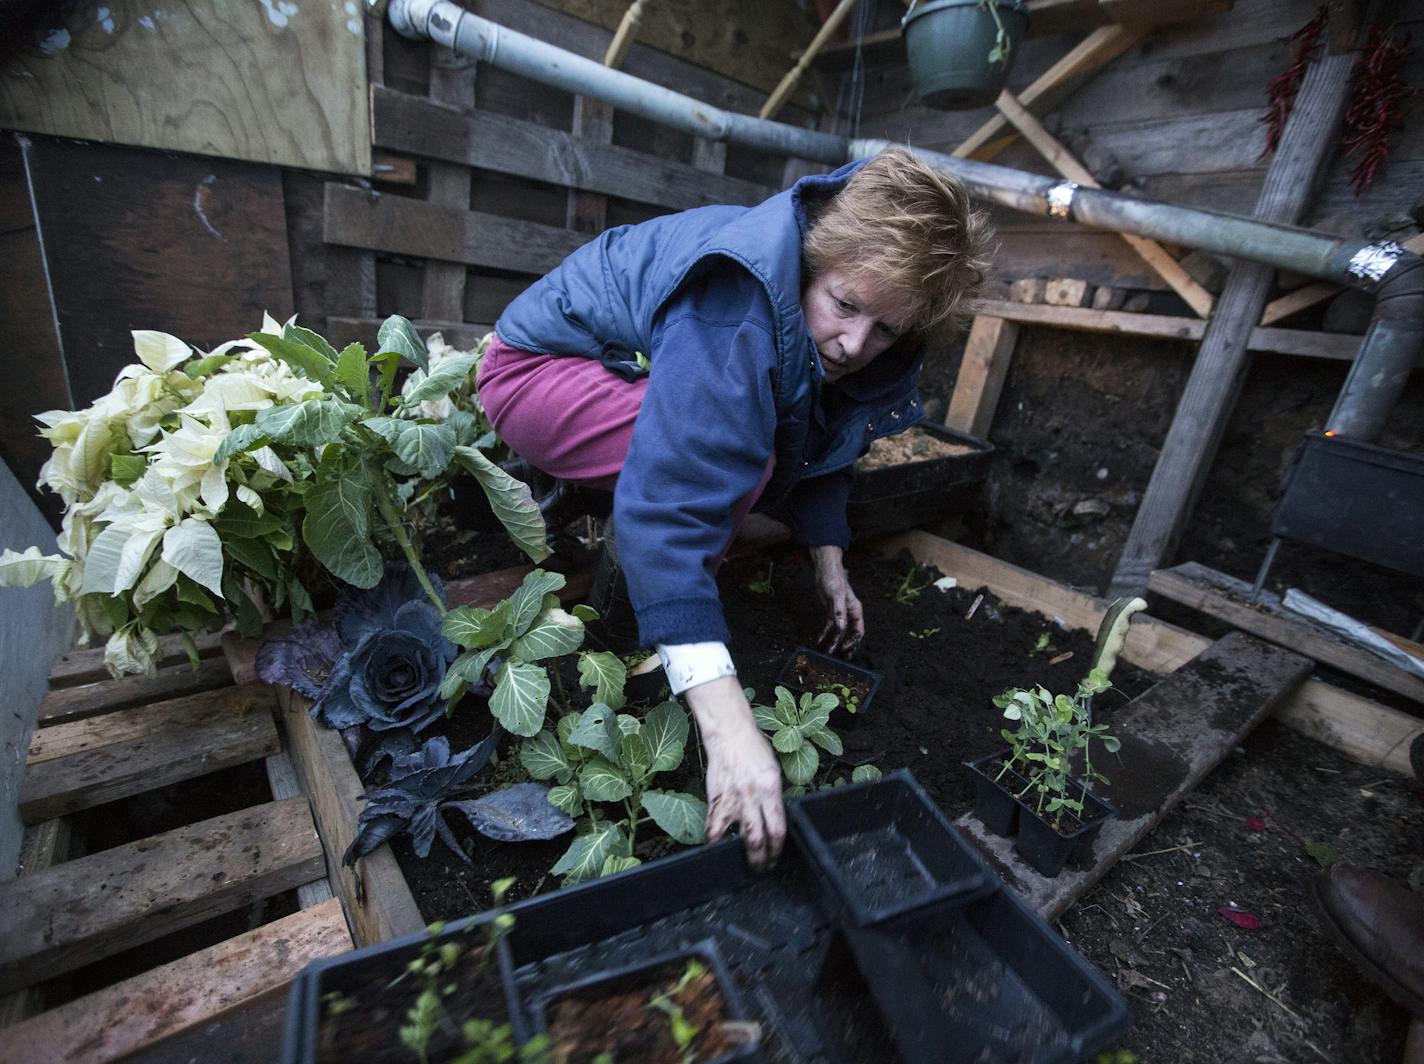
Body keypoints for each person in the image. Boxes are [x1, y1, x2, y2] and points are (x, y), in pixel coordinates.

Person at [477, 147, 991, 868]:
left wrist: (829, 559)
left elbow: (824, 434)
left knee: (737, 448)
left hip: (622, 369)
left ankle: (586, 497)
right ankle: (630, 631)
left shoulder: (819, 308)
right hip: (532, 372)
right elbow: (675, 499)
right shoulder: (741, 308)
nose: (854, 343)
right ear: (812, 260)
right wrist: (729, 730)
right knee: (725, 464)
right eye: (844, 307)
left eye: (885, 331)